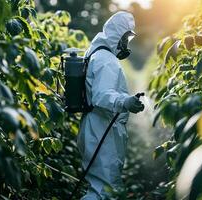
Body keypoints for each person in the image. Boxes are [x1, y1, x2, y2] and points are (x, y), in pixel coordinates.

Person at [77, 11, 144, 199]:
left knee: (100, 187)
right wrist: (126, 102)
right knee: (103, 191)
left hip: (96, 127)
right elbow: (102, 95)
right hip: (102, 130)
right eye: (125, 37)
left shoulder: (97, 53)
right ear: (117, 35)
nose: (126, 44)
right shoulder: (107, 60)